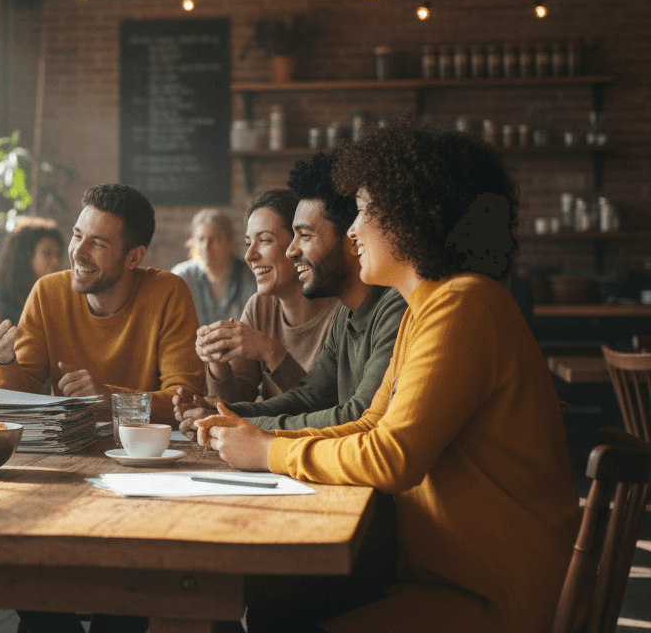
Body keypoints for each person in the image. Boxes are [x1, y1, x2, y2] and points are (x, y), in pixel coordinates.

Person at [199, 123, 580, 633]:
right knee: (275, 602)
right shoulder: (426, 309)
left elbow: (392, 457)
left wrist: (268, 453)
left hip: (494, 596)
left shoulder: (462, 306)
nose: (353, 230)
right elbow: (371, 424)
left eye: (363, 212)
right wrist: (258, 437)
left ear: (410, 216)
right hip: (447, 575)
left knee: (278, 610)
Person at [0, 183, 202, 633]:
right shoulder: (48, 293)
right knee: (28, 576)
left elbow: (184, 401)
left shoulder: (168, 293)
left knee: (127, 590)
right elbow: (17, 394)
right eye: (78, 234)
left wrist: (109, 397)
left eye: (98, 243)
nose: (78, 250)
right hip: (64, 471)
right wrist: (3, 360)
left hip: (147, 480)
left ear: (134, 256)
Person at [177, 151, 407, 432]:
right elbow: (309, 398)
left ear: (351, 238)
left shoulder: (395, 306)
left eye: (305, 236)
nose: (292, 250)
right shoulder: (348, 314)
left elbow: (357, 417)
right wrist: (227, 412)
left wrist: (247, 426)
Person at [194, 189, 341, 405]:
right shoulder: (260, 306)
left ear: (298, 244)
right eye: (247, 243)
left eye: (264, 240)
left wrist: (271, 352)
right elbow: (236, 404)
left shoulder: (341, 311)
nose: (249, 255)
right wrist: (217, 360)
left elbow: (327, 410)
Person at [0, 217, 63, 352]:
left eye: (58, 254)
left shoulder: (45, 295)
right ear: (25, 256)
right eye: (47, 253)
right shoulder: (1, 297)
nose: (56, 262)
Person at [170, 208, 256, 326]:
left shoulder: (251, 277)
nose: (206, 247)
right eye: (201, 239)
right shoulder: (182, 277)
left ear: (231, 242)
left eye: (214, 239)